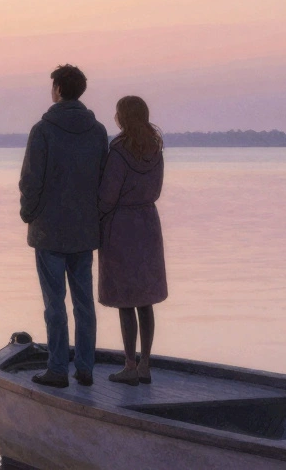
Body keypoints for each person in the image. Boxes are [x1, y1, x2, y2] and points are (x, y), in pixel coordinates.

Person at [19, 64, 109, 388]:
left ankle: (58, 368)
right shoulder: (98, 132)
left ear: (57, 88)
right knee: (84, 303)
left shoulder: (42, 131)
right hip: (84, 231)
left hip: (49, 231)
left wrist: (27, 214)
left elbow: (31, 180)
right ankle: (85, 367)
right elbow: (103, 181)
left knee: (54, 304)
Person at [97, 95, 168, 386]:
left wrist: (96, 216)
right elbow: (157, 189)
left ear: (122, 117)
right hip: (148, 223)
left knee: (126, 300)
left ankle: (129, 364)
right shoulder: (156, 150)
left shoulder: (118, 151)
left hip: (122, 226)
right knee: (145, 300)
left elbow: (107, 196)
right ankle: (146, 363)